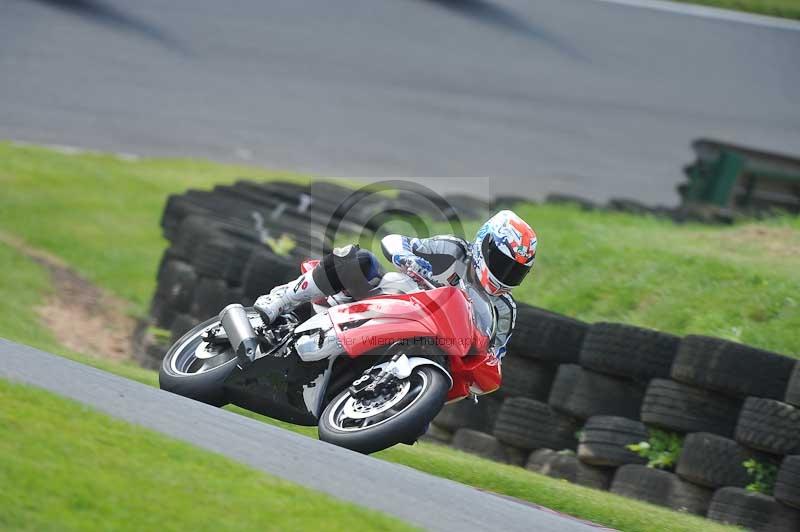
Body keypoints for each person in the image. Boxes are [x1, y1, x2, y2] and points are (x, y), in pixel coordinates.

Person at [254, 210, 537, 360]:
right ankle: (282, 299)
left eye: (516, 272)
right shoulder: (452, 250)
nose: (507, 275)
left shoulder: (504, 310)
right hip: (390, 297)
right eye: (503, 263)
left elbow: (494, 357)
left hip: (427, 344)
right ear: (485, 245)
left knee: (421, 421)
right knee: (359, 260)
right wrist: (410, 260)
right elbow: (396, 242)